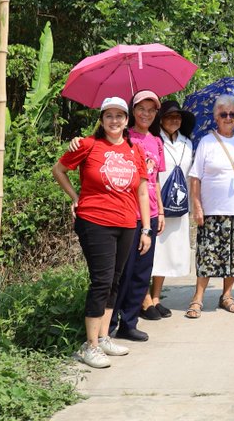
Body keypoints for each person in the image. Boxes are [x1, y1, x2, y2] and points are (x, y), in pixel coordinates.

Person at [51, 96, 152, 368]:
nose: (115, 120)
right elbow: (59, 169)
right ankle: (90, 345)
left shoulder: (135, 150)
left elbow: (142, 190)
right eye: (109, 115)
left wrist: (146, 227)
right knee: (102, 280)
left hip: (127, 223)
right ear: (102, 119)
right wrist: (74, 196)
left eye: (120, 115)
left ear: (127, 120)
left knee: (116, 280)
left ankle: (104, 336)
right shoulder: (87, 144)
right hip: (95, 220)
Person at [186, 94, 234, 318]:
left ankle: (227, 295)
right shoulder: (206, 142)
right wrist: (197, 205)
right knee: (206, 255)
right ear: (216, 116)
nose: (228, 118)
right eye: (223, 114)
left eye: (232, 114)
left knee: (233, 256)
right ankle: (197, 298)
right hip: (212, 209)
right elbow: (195, 177)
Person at [105, 89, 166, 341]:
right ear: (133, 111)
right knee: (122, 272)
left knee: (142, 272)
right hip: (127, 213)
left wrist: (161, 210)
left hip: (150, 213)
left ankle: (129, 323)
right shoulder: (123, 137)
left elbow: (156, 179)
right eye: (141, 108)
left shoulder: (156, 141)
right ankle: (107, 325)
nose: (146, 114)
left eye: (151, 110)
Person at [144, 99, 196, 319]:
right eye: (169, 116)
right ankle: (144, 299)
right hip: (156, 203)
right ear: (161, 119)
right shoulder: (154, 141)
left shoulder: (188, 143)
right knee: (152, 252)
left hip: (179, 204)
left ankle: (156, 298)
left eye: (177, 117)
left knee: (167, 253)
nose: (174, 120)